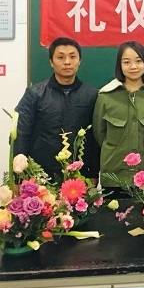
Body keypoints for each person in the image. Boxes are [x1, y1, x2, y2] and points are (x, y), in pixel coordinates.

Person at [14, 37, 99, 183]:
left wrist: (93, 173)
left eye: (72, 57)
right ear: (51, 62)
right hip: (41, 175)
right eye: (60, 57)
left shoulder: (92, 95)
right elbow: (21, 133)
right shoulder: (34, 94)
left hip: (80, 175)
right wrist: (19, 177)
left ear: (79, 61)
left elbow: (95, 139)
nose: (67, 62)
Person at [93, 41, 144, 198]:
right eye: (126, 62)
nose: (133, 67)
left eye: (138, 61)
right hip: (114, 176)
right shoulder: (106, 96)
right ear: (120, 65)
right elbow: (99, 134)